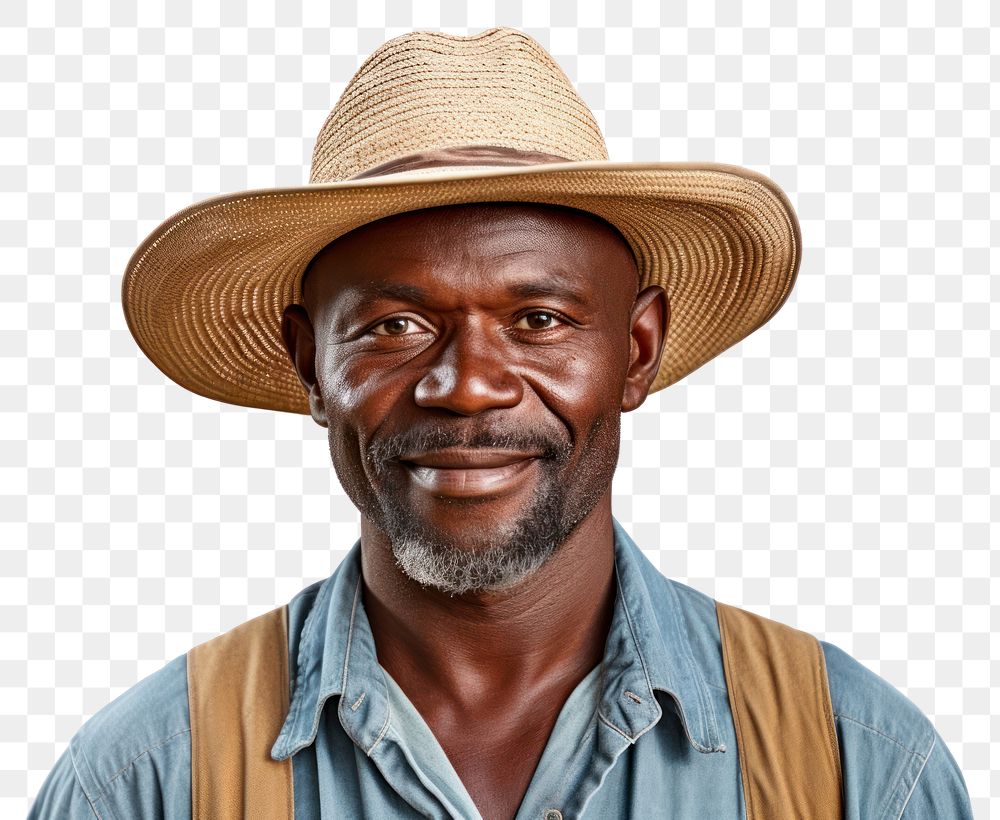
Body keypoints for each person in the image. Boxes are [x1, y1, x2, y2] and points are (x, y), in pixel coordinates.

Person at [29, 27, 971, 820]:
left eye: (539, 321)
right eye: (395, 326)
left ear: (638, 350)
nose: (469, 386)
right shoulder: (147, 781)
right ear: (308, 363)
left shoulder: (858, 766)